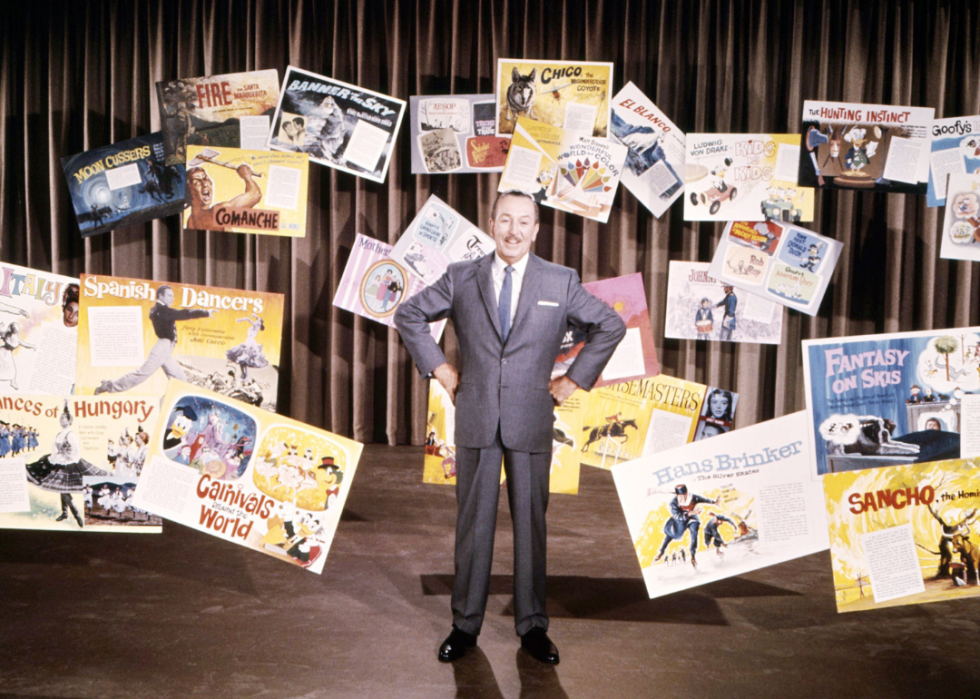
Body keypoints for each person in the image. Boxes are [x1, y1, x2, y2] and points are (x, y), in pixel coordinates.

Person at [394, 190, 626, 665]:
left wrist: (573, 380)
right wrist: (440, 369)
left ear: (537, 229)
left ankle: (533, 627)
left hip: (531, 418)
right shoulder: (462, 277)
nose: (513, 230)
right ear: (491, 224)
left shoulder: (560, 281)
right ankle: (464, 626)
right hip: (477, 416)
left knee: (531, 528)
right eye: (505, 220)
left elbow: (610, 326)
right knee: (473, 528)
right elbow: (409, 314)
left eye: (524, 222)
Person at [94, 285, 213, 394]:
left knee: (181, 381)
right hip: (162, 347)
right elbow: (184, 313)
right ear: (161, 296)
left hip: (166, 349)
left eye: (172, 296)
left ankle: (167, 406)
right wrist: (205, 312)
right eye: (169, 296)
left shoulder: (157, 309)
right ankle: (109, 386)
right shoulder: (162, 310)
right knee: (142, 374)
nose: (172, 298)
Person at [25, 402, 109, 527]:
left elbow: (76, 453)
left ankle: (77, 516)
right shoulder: (59, 434)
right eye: (60, 418)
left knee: (64, 490)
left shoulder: (71, 435)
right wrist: (54, 458)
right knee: (62, 489)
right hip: (59, 462)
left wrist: (65, 458)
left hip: (70, 465)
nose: (60, 420)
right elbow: (55, 450)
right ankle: (65, 513)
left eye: (63, 418)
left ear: (69, 420)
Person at [654, 484, 718, 570]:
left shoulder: (692, 497)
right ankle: (661, 552)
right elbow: (677, 516)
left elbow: (703, 499)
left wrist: (713, 502)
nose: (683, 499)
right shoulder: (673, 503)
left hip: (691, 519)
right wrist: (691, 513)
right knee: (670, 535)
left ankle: (693, 556)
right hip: (679, 522)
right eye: (681, 497)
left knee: (694, 532)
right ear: (677, 495)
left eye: (685, 496)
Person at [184, 164, 261, 230]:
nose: (205, 184)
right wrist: (247, 176)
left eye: (206, 179)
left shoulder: (191, 221)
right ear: (189, 192)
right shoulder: (216, 213)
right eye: (197, 182)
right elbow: (255, 194)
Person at [225, 314, 269, 380]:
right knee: (242, 360)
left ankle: (246, 375)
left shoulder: (255, 326)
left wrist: (240, 320)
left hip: (250, 342)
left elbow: (248, 319)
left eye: (258, 321)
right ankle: (243, 374)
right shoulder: (256, 325)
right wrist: (255, 316)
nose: (257, 321)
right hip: (248, 341)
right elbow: (258, 319)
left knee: (246, 359)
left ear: (259, 323)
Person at [0, 322, 37, 391]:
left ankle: (13, 381)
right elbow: (25, 345)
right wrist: (33, 346)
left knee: (10, 367)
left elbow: (26, 345)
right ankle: (13, 381)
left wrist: (33, 346)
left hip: (4, 351)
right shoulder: (14, 338)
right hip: (4, 352)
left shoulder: (7, 335)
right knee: (10, 367)